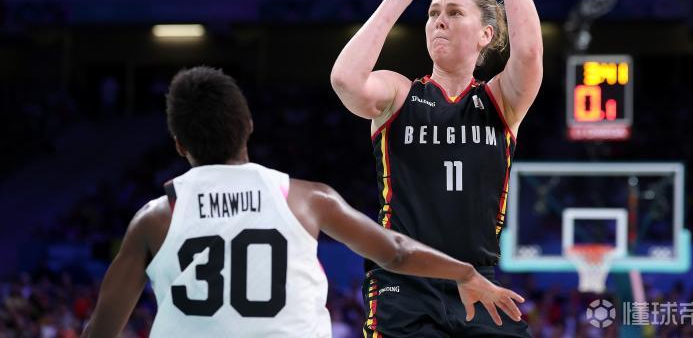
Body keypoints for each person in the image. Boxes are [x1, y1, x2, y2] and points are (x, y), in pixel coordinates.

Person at [81, 66, 524, 337]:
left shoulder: (156, 217)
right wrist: (466, 272)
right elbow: (396, 251)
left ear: (179, 145)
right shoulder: (306, 199)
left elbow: (100, 329)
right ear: (248, 126)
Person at [330, 0, 543, 336]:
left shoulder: (499, 102)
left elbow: (528, 53)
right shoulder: (399, 93)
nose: (438, 21)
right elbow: (346, 80)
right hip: (403, 284)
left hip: (478, 282)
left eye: (453, 13)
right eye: (433, 13)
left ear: (486, 35)